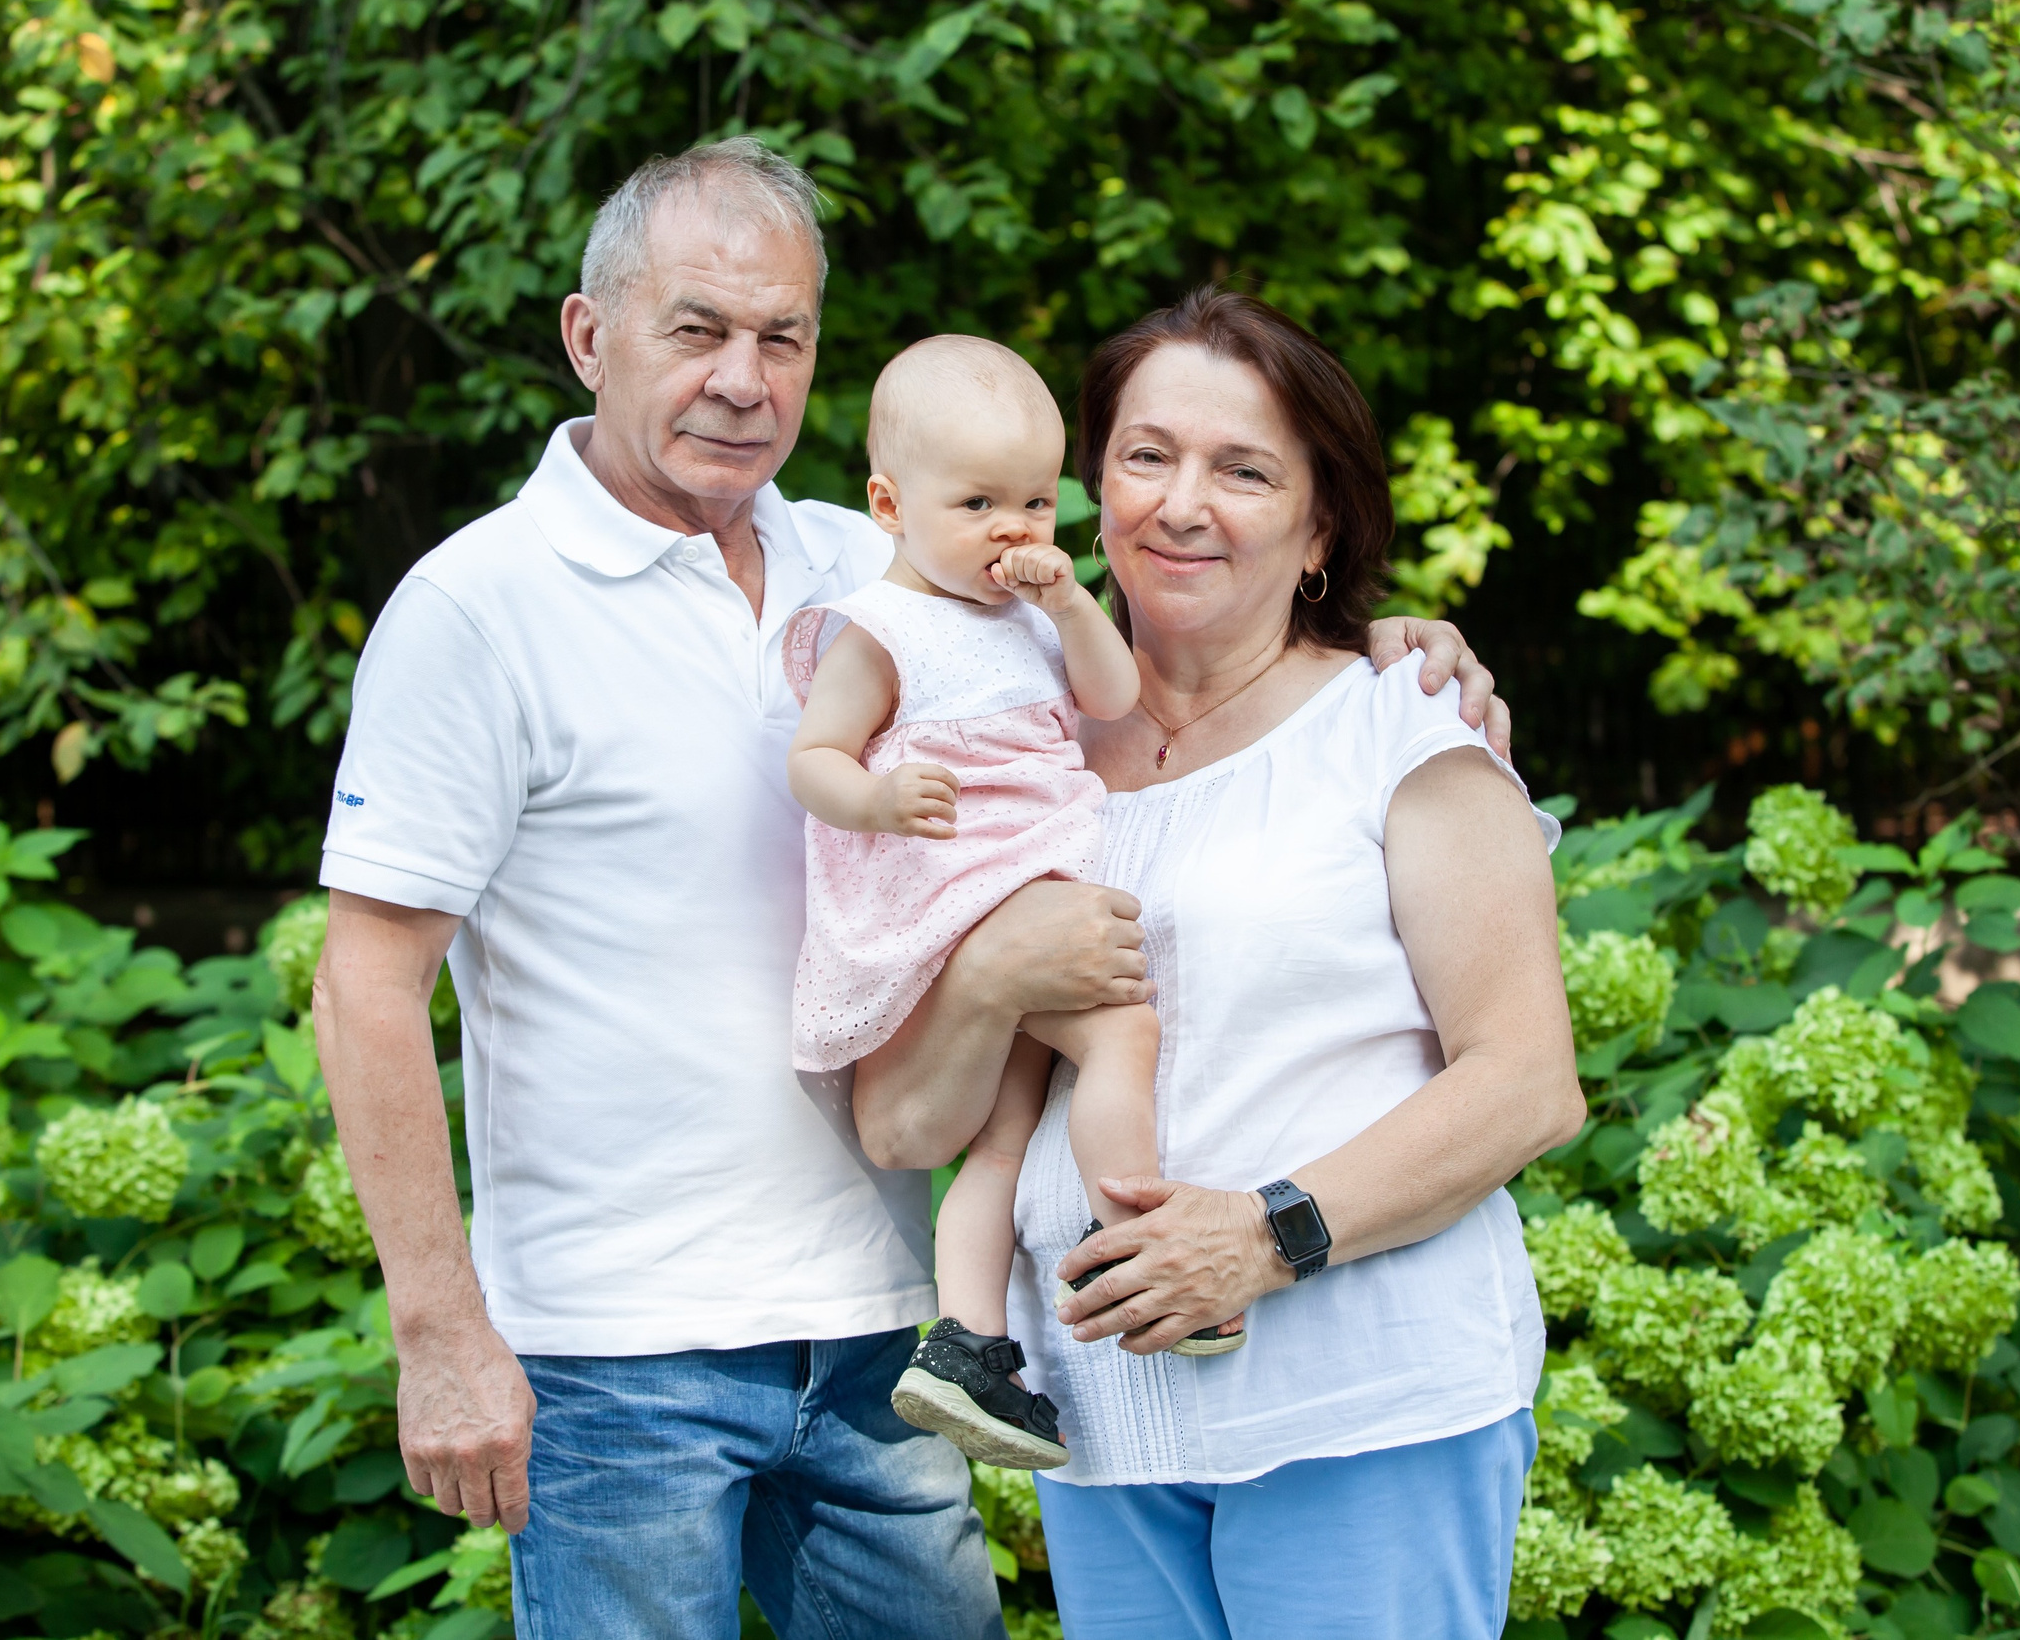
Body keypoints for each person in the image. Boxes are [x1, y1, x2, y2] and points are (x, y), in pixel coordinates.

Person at [311, 139, 1507, 1639]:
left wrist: (1392, 633)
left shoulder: (860, 568)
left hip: (881, 1330)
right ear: (588, 334)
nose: (744, 378)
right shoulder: (477, 607)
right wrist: (439, 1332)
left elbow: (1164, 635)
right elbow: (364, 985)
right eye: (697, 328)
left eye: (784, 336)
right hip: (627, 1354)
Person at [851, 287, 1588, 1639]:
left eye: (1244, 470)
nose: (1182, 503)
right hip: (1104, 1423)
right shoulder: (1005, 749)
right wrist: (990, 971)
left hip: (1363, 1411)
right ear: (1088, 486)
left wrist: (1265, 1233)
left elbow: (1530, 1084)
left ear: (1321, 527)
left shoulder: (1401, 729)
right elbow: (906, 1120)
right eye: (1147, 455)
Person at [783, 337, 1238, 1476]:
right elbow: (813, 760)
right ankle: (1137, 1241)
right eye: (976, 501)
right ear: (888, 504)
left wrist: (1073, 606)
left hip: (1024, 885)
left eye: (1034, 501)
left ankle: (967, 1347)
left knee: (1000, 1138)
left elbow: (1110, 694)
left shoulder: (1027, 613)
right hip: (969, 897)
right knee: (1122, 1030)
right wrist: (879, 800)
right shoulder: (881, 627)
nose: (1012, 529)